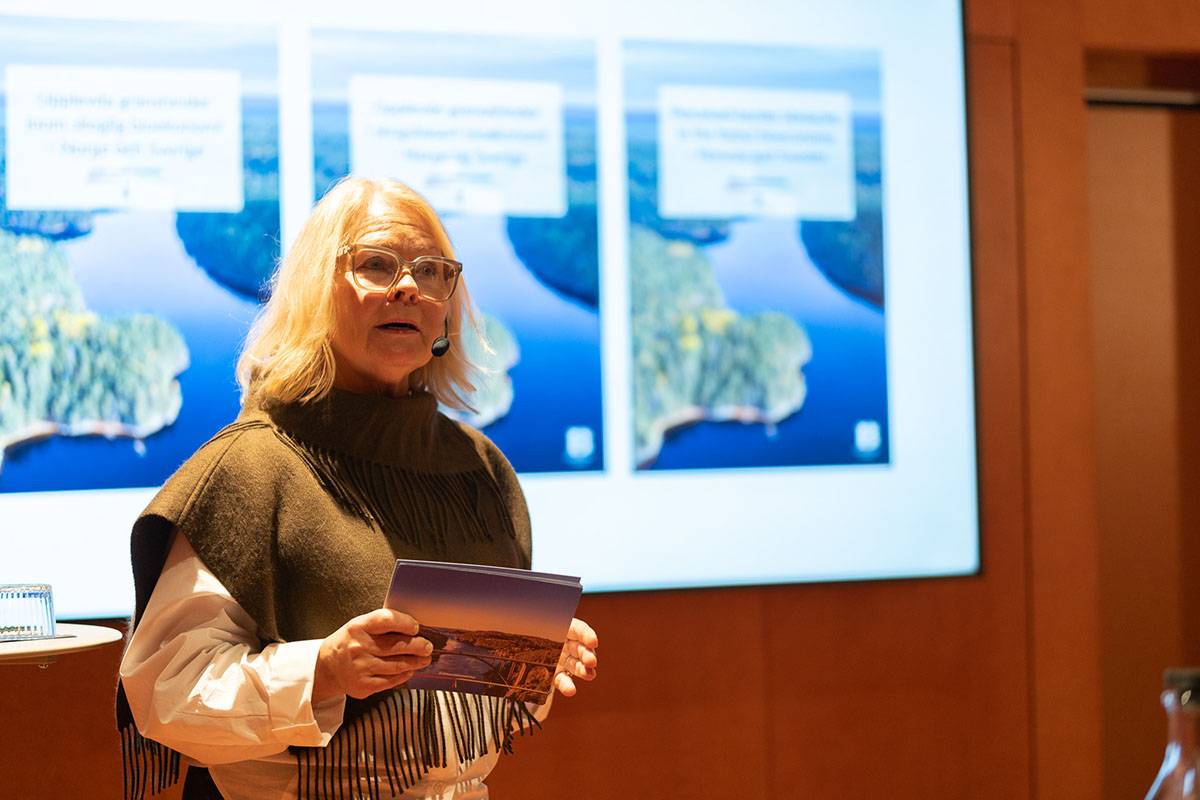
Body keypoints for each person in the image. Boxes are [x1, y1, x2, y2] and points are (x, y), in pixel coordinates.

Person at [116, 177, 599, 800]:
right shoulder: (249, 467)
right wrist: (322, 672)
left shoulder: (481, 470)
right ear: (316, 292)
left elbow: (478, 713)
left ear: (447, 308)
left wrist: (531, 661)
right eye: (376, 264)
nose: (409, 287)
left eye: (431, 271)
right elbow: (167, 695)